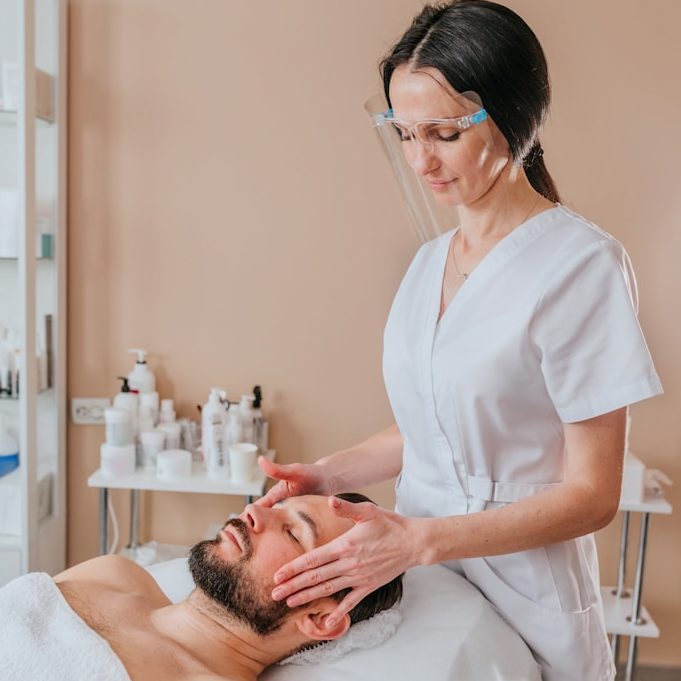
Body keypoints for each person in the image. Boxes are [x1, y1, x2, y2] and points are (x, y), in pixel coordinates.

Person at [255, 2, 663, 680]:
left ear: (515, 118)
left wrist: (422, 540)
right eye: (404, 133)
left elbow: (593, 493)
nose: (421, 160)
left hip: (522, 588)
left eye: (443, 133)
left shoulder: (581, 265)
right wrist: (330, 473)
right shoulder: (427, 264)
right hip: (426, 581)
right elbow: (438, 431)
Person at [0, 493, 403, 681]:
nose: (254, 510)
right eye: (276, 507)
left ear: (319, 617)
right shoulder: (114, 573)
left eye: (294, 533)